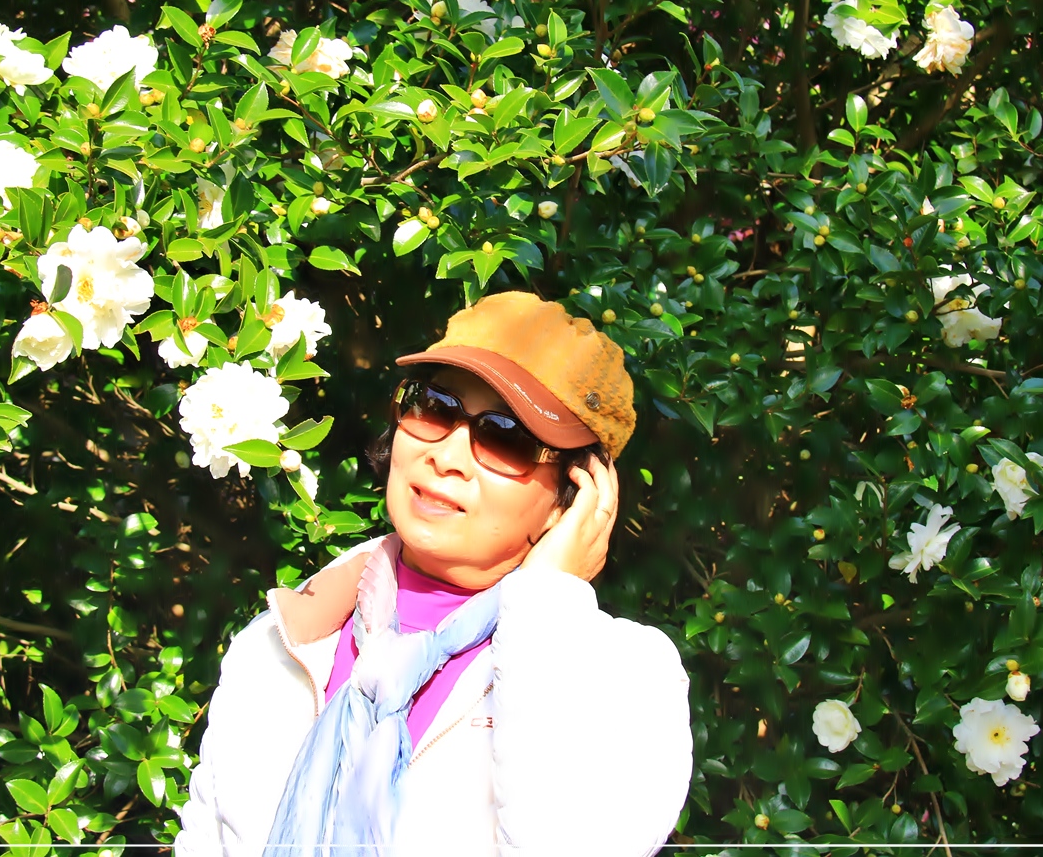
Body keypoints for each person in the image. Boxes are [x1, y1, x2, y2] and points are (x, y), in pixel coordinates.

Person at [174, 291, 692, 857]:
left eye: (506, 435)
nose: (446, 456)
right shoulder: (283, 639)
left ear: (574, 494)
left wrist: (546, 602)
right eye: (436, 407)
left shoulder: (627, 676)